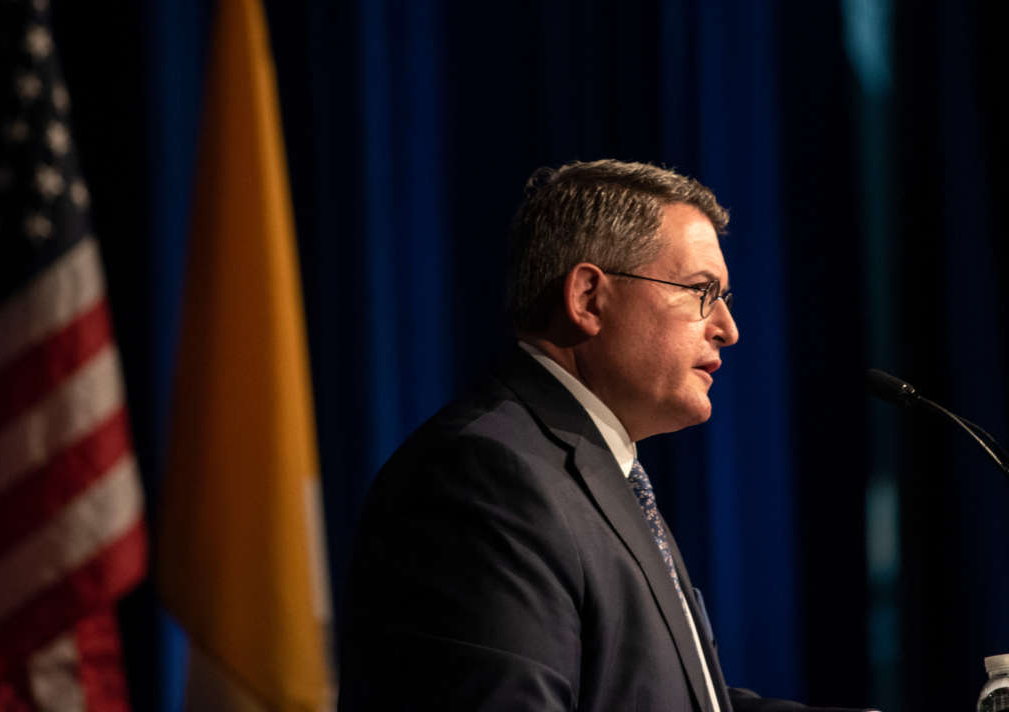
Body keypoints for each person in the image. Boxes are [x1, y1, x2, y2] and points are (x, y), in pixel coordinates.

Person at [338, 160, 871, 711]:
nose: (727, 329)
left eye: (725, 299)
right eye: (700, 291)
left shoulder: (598, 472)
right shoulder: (485, 477)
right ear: (588, 297)